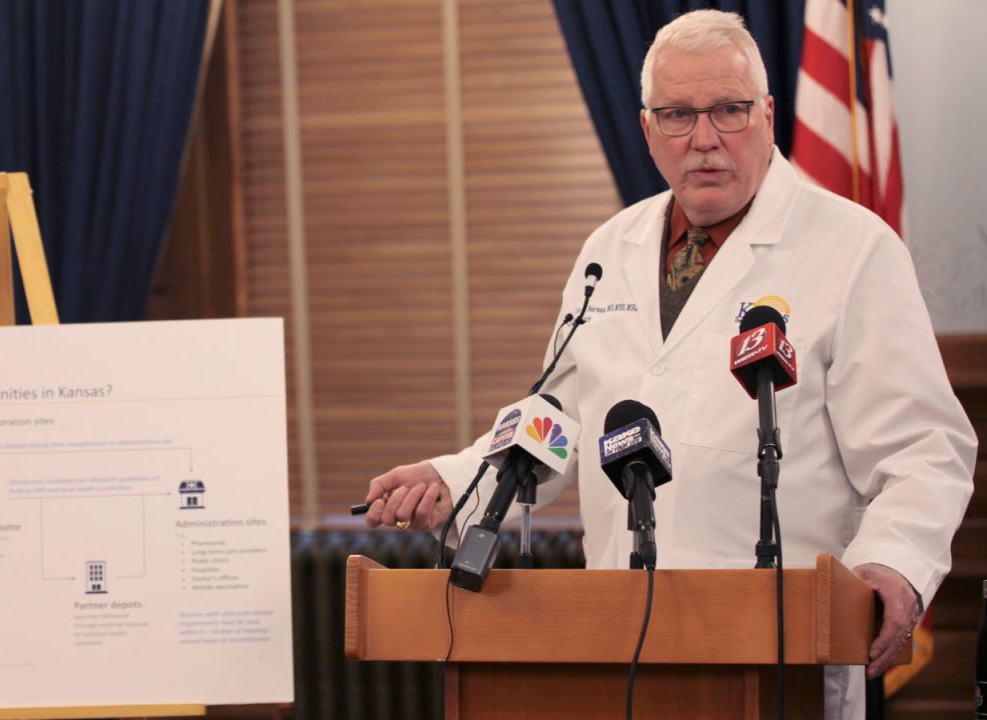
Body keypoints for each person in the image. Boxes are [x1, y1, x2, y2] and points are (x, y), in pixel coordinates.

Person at [359, 9, 976, 720]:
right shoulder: (608, 250)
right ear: (648, 130)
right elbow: (561, 420)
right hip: (620, 649)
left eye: (730, 110)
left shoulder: (854, 249)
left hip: (784, 658)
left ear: (769, 114)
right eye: (679, 114)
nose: (705, 138)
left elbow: (925, 451)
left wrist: (891, 565)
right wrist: (457, 478)